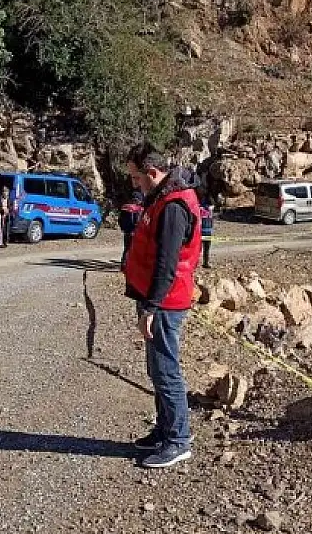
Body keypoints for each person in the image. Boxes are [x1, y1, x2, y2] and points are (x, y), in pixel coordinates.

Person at [122, 142, 202, 469]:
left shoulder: (172, 207)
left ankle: (178, 440)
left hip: (165, 303)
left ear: (153, 173)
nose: (134, 184)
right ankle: (165, 429)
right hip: (157, 299)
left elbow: (166, 265)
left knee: (166, 371)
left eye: (136, 178)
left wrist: (150, 307)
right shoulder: (161, 198)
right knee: (156, 369)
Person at [119, 192, 143, 270]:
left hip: (126, 231)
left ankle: (123, 265)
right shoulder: (138, 209)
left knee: (126, 248)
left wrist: (123, 228)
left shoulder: (125, 207)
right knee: (132, 249)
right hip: (134, 232)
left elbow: (119, 220)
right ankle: (129, 266)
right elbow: (137, 221)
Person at [200, 197, 214, 268]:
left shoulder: (210, 210)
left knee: (206, 249)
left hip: (207, 231)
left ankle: (206, 263)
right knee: (201, 249)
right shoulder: (201, 209)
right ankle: (205, 263)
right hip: (202, 231)